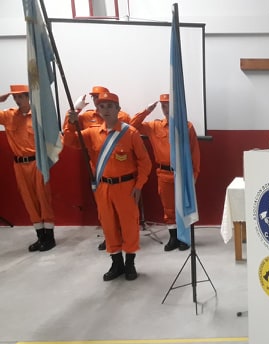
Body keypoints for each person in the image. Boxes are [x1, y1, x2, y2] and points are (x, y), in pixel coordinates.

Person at [63, 92, 152, 281]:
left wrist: (138, 186)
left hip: (126, 187)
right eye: (101, 106)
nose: (106, 110)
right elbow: (69, 140)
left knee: (129, 226)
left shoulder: (130, 133)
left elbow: (145, 162)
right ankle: (116, 263)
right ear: (97, 110)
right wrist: (70, 120)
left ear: (118, 109)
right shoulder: (92, 133)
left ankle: (130, 263)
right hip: (103, 187)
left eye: (110, 106)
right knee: (108, 225)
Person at [130, 93, 201, 251]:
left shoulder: (187, 126)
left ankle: (184, 238)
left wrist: (194, 174)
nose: (166, 108)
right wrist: (147, 111)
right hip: (164, 173)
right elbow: (132, 125)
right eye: (163, 105)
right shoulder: (154, 126)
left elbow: (194, 152)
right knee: (168, 208)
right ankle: (173, 237)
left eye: (168, 105)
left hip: (182, 173)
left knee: (184, 206)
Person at [68, 85, 131, 251]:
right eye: (94, 97)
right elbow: (71, 136)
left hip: (120, 167)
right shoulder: (86, 117)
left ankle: (124, 236)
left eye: (99, 96)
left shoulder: (122, 116)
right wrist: (74, 112)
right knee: (104, 209)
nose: (96, 100)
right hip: (98, 169)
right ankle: (110, 237)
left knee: (122, 209)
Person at [0, 84, 56, 251]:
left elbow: (54, 138)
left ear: (28, 97)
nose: (17, 100)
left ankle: (49, 237)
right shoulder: (8, 116)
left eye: (20, 96)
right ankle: (40, 236)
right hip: (19, 164)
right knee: (28, 199)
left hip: (37, 162)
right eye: (15, 97)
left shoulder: (39, 115)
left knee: (43, 197)